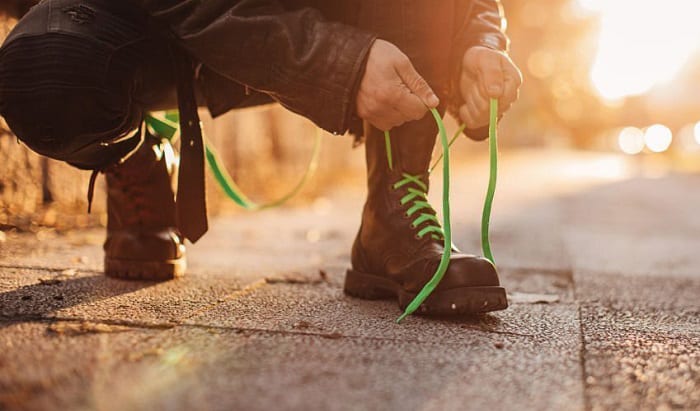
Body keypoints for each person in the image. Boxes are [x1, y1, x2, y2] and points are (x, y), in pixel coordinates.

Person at [0, 0, 521, 315]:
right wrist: (337, 64)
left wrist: (476, 43)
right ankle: (136, 153)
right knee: (49, 69)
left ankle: (393, 205)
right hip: (151, 22)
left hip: (314, 15)